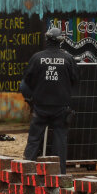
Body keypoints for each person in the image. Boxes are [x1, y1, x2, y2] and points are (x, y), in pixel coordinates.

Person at [20, 27, 79, 173]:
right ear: (60, 41)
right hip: (61, 107)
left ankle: (27, 171)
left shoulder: (37, 58)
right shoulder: (67, 59)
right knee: (60, 140)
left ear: (47, 39)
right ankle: (59, 174)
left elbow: (27, 80)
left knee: (34, 139)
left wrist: (32, 98)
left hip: (40, 106)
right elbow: (75, 79)